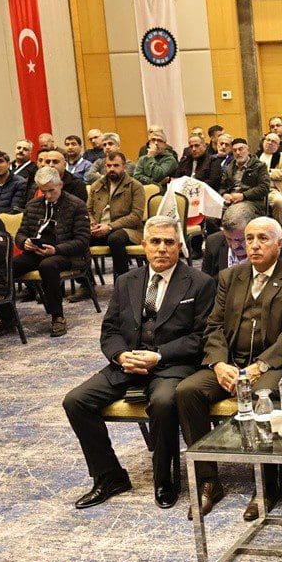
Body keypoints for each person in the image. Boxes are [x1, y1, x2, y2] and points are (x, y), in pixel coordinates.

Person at [62, 216, 216, 510]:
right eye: (155, 241)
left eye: (168, 242)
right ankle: (110, 476)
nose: (162, 248)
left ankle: (164, 479)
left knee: (163, 402)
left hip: (171, 365)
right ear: (144, 244)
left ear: (180, 246)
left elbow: (201, 337)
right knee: (75, 401)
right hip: (128, 363)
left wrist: (159, 355)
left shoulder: (200, 283)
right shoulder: (126, 281)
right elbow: (110, 330)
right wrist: (121, 355)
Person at [176, 217, 282, 521]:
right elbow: (213, 325)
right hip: (231, 362)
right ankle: (207, 480)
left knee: (261, 394)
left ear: (280, 243)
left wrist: (259, 366)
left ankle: (267, 484)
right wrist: (218, 364)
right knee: (187, 391)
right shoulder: (230, 276)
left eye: (263, 238)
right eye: (249, 238)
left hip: (273, 364)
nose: (254, 245)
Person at [0, 167, 90, 338]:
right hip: (36, 251)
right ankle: (7, 317)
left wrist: (56, 249)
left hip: (67, 254)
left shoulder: (76, 205)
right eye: (43, 191)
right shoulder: (33, 204)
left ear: (60, 185)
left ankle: (57, 316)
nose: (48, 195)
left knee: (48, 265)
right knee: (5, 267)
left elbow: (82, 241)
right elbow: (21, 233)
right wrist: (24, 242)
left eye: (51, 190)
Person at [86, 151, 145, 279]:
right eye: (109, 165)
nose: (111, 169)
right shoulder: (97, 185)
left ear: (124, 167)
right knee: (79, 238)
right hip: (99, 229)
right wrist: (92, 224)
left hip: (128, 231)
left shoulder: (135, 186)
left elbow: (136, 216)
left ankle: (122, 280)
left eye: (116, 165)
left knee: (115, 238)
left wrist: (110, 227)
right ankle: (86, 281)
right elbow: (88, 211)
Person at [219, 138, 270, 217]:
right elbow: (222, 186)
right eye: (235, 150)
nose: (238, 153)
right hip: (231, 201)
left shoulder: (259, 166)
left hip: (251, 202)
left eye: (240, 149)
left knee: (235, 215)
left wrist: (243, 195)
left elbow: (264, 188)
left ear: (248, 150)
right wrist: (224, 194)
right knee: (210, 215)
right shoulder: (229, 167)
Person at [0, 149, 27, 214]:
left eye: (0, 162)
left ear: (9, 164)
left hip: (6, 219)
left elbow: (15, 210)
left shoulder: (20, 183)